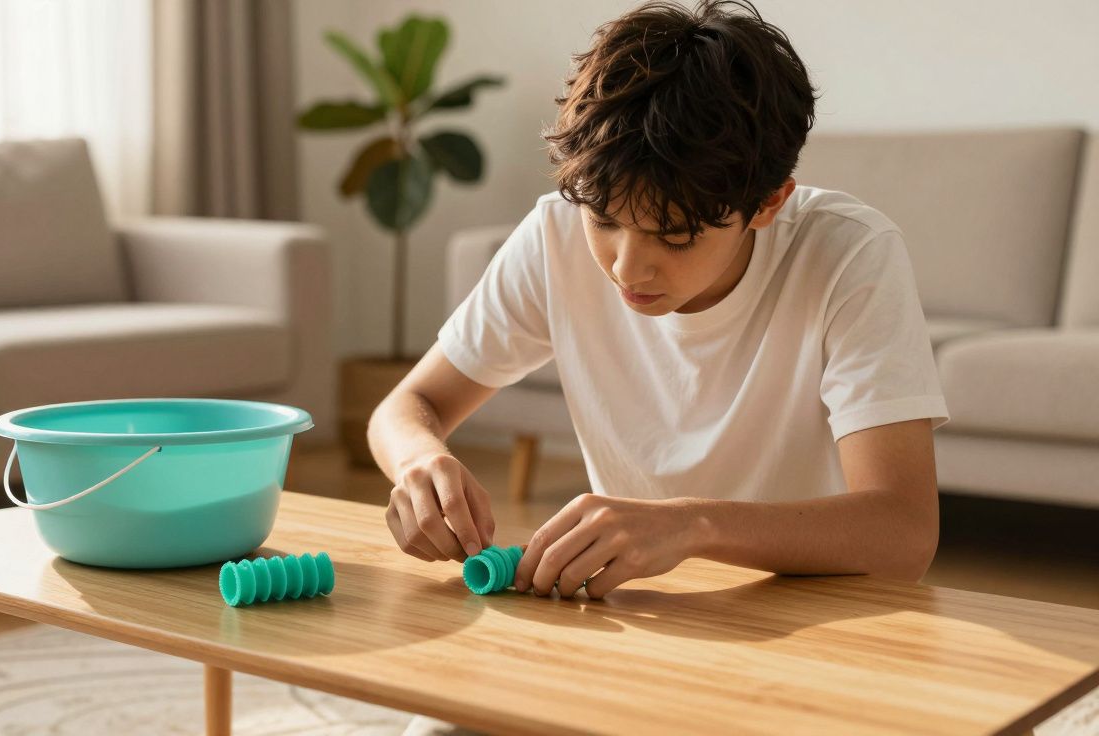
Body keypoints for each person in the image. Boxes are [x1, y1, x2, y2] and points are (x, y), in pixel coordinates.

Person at [371, 2, 948, 731]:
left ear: (767, 202)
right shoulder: (553, 236)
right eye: (605, 220)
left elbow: (902, 532)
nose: (626, 266)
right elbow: (407, 406)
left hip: (813, 629)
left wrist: (693, 525)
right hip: (632, 619)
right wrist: (420, 462)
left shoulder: (848, 256)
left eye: (673, 235)